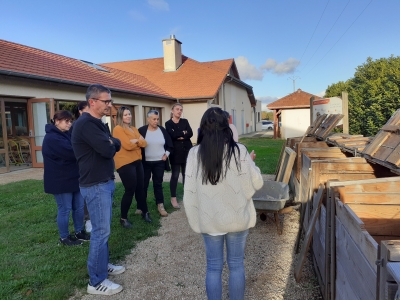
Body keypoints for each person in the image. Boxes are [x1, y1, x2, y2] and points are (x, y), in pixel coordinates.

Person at [183, 107, 263, 300]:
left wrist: (196, 217)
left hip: (210, 220)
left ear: (203, 127)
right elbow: (257, 182)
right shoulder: (239, 150)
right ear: (226, 126)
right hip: (237, 217)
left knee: (213, 267)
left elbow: (189, 191)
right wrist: (252, 164)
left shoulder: (194, 154)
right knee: (236, 264)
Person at [71, 84, 125, 296]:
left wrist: (112, 142)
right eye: (106, 101)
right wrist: (111, 143)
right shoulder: (86, 124)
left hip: (103, 181)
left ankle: (102, 265)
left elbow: (115, 143)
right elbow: (107, 149)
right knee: (101, 232)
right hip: (95, 185)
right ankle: (96, 281)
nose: (109, 105)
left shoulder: (99, 123)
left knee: (104, 230)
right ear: (92, 102)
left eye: (110, 101)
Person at [43, 110, 90, 246]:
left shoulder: (67, 134)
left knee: (79, 207)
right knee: (65, 209)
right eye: (66, 121)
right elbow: (72, 153)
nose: (69, 124)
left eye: (71, 121)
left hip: (74, 177)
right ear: (57, 121)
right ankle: (64, 238)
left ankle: (79, 232)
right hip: (60, 181)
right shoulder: (52, 138)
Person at [112, 106, 152, 227]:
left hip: (137, 161)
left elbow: (145, 143)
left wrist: (136, 141)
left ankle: (145, 212)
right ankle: (123, 218)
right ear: (120, 116)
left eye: (129, 114)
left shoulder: (133, 129)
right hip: (125, 163)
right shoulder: (118, 129)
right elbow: (127, 146)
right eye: (125, 115)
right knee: (130, 189)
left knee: (141, 187)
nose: (128, 116)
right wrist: (137, 141)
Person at [139, 110, 174, 217]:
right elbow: (138, 145)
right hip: (145, 163)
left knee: (158, 184)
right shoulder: (142, 130)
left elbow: (170, 145)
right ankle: (141, 206)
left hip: (159, 162)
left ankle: (160, 205)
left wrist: (166, 155)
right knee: (143, 184)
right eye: (154, 119)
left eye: (157, 119)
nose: (156, 121)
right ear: (148, 119)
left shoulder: (162, 130)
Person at [165, 103, 193, 209]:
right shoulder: (168, 123)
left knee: (186, 175)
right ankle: (173, 198)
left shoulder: (185, 121)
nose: (179, 111)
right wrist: (183, 133)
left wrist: (180, 134)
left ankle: (188, 197)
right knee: (175, 176)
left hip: (186, 151)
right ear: (172, 110)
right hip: (175, 153)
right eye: (177, 109)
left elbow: (190, 133)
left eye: (181, 109)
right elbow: (172, 135)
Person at [73, 101, 92, 233]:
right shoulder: (77, 126)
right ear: (80, 111)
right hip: (81, 165)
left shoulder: (93, 124)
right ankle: (88, 220)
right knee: (84, 195)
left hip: (93, 165)